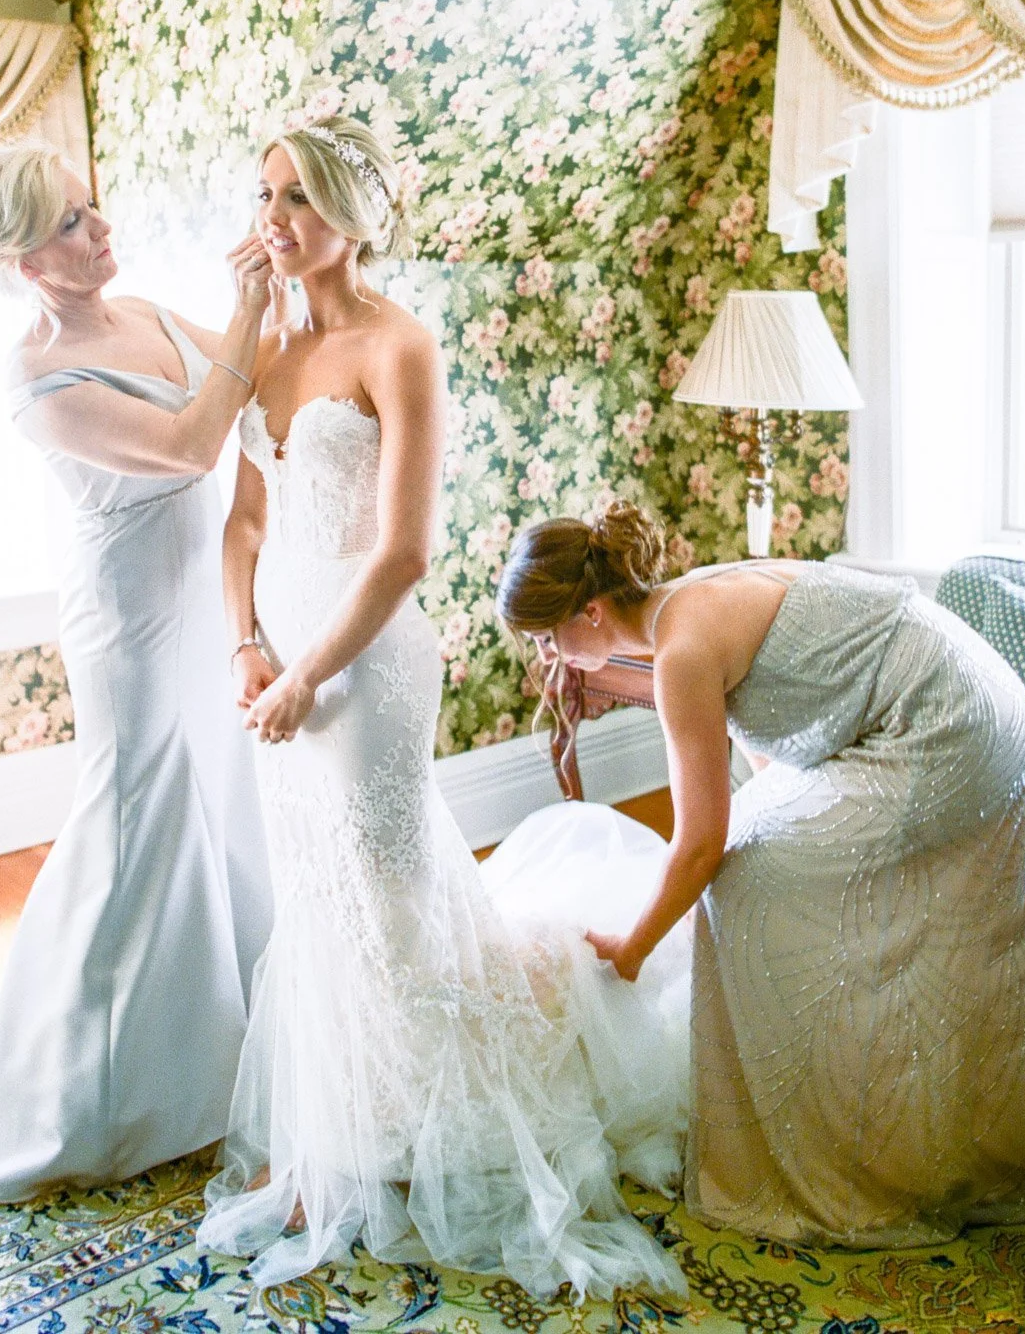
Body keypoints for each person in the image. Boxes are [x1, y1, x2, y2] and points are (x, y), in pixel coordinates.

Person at [197, 115, 687, 1306]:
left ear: (356, 217)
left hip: (365, 666)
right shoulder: (263, 354)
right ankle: (337, 1142)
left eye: (301, 199)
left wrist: (312, 671)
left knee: (384, 886)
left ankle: (454, 1122)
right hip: (282, 662)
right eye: (267, 196)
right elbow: (245, 525)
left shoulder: (398, 346)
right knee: (314, 896)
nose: (278, 220)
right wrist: (246, 646)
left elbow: (405, 550)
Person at [495, 503, 1025, 1248]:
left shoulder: (681, 653)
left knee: (746, 886)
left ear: (592, 613)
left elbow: (699, 846)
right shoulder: (687, 601)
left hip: (950, 732)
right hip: (973, 707)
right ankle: (862, 1087)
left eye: (548, 637)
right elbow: (782, 729)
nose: (549, 658)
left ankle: (831, 1126)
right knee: (760, 841)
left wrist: (633, 947)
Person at [0, 143, 277, 1201]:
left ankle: (223, 1059)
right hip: (128, 617)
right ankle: (81, 1095)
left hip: (199, 592)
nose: (102, 230)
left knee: (214, 801)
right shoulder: (38, 379)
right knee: (135, 814)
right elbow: (186, 446)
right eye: (75, 226)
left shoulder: (153, 315)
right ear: (26, 263)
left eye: (93, 209)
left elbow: (248, 380)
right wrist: (249, 306)